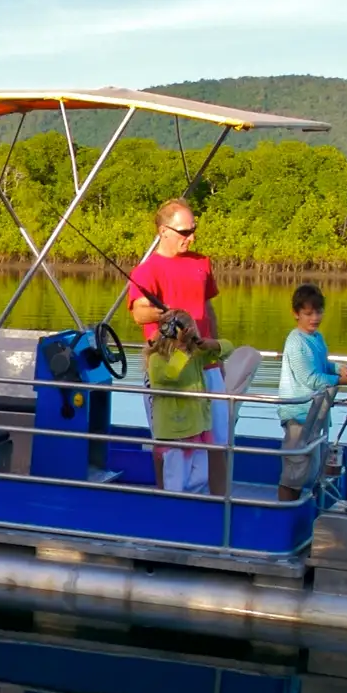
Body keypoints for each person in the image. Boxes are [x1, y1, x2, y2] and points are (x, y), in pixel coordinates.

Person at [127, 200, 246, 495]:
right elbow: (139, 312)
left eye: (193, 230)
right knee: (166, 443)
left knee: (218, 439)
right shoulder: (146, 271)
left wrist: (216, 354)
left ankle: (219, 505)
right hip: (169, 369)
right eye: (184, 231)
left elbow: (208, 310)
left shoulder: (201, 262)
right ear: (164, 231)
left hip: (206, 366)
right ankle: (165, 503)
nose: (191, 236)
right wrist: (169, 315)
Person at [276, 283, 347, 501]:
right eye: (308, 313)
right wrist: (345, 380)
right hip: (298, 416)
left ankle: (308, 510)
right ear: (296, 314)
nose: (314, 318)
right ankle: (284, 512)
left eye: (318, 312)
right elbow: (311, 378)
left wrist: (339, 369)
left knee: (313, 466)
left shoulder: (316, 338)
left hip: (316, 414)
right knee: (294, 471)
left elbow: (321, 365)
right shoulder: (295, 342)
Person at [145, 309, 234, 494]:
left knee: (200, 477)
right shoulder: (156, 360)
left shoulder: (195, 358)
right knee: (175, 482)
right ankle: (173, 514)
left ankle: (190, 507)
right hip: (174, 434)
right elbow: (171, 375)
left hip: (198, 430)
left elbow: (228, 350)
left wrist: (212, 344)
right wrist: (182, 350)